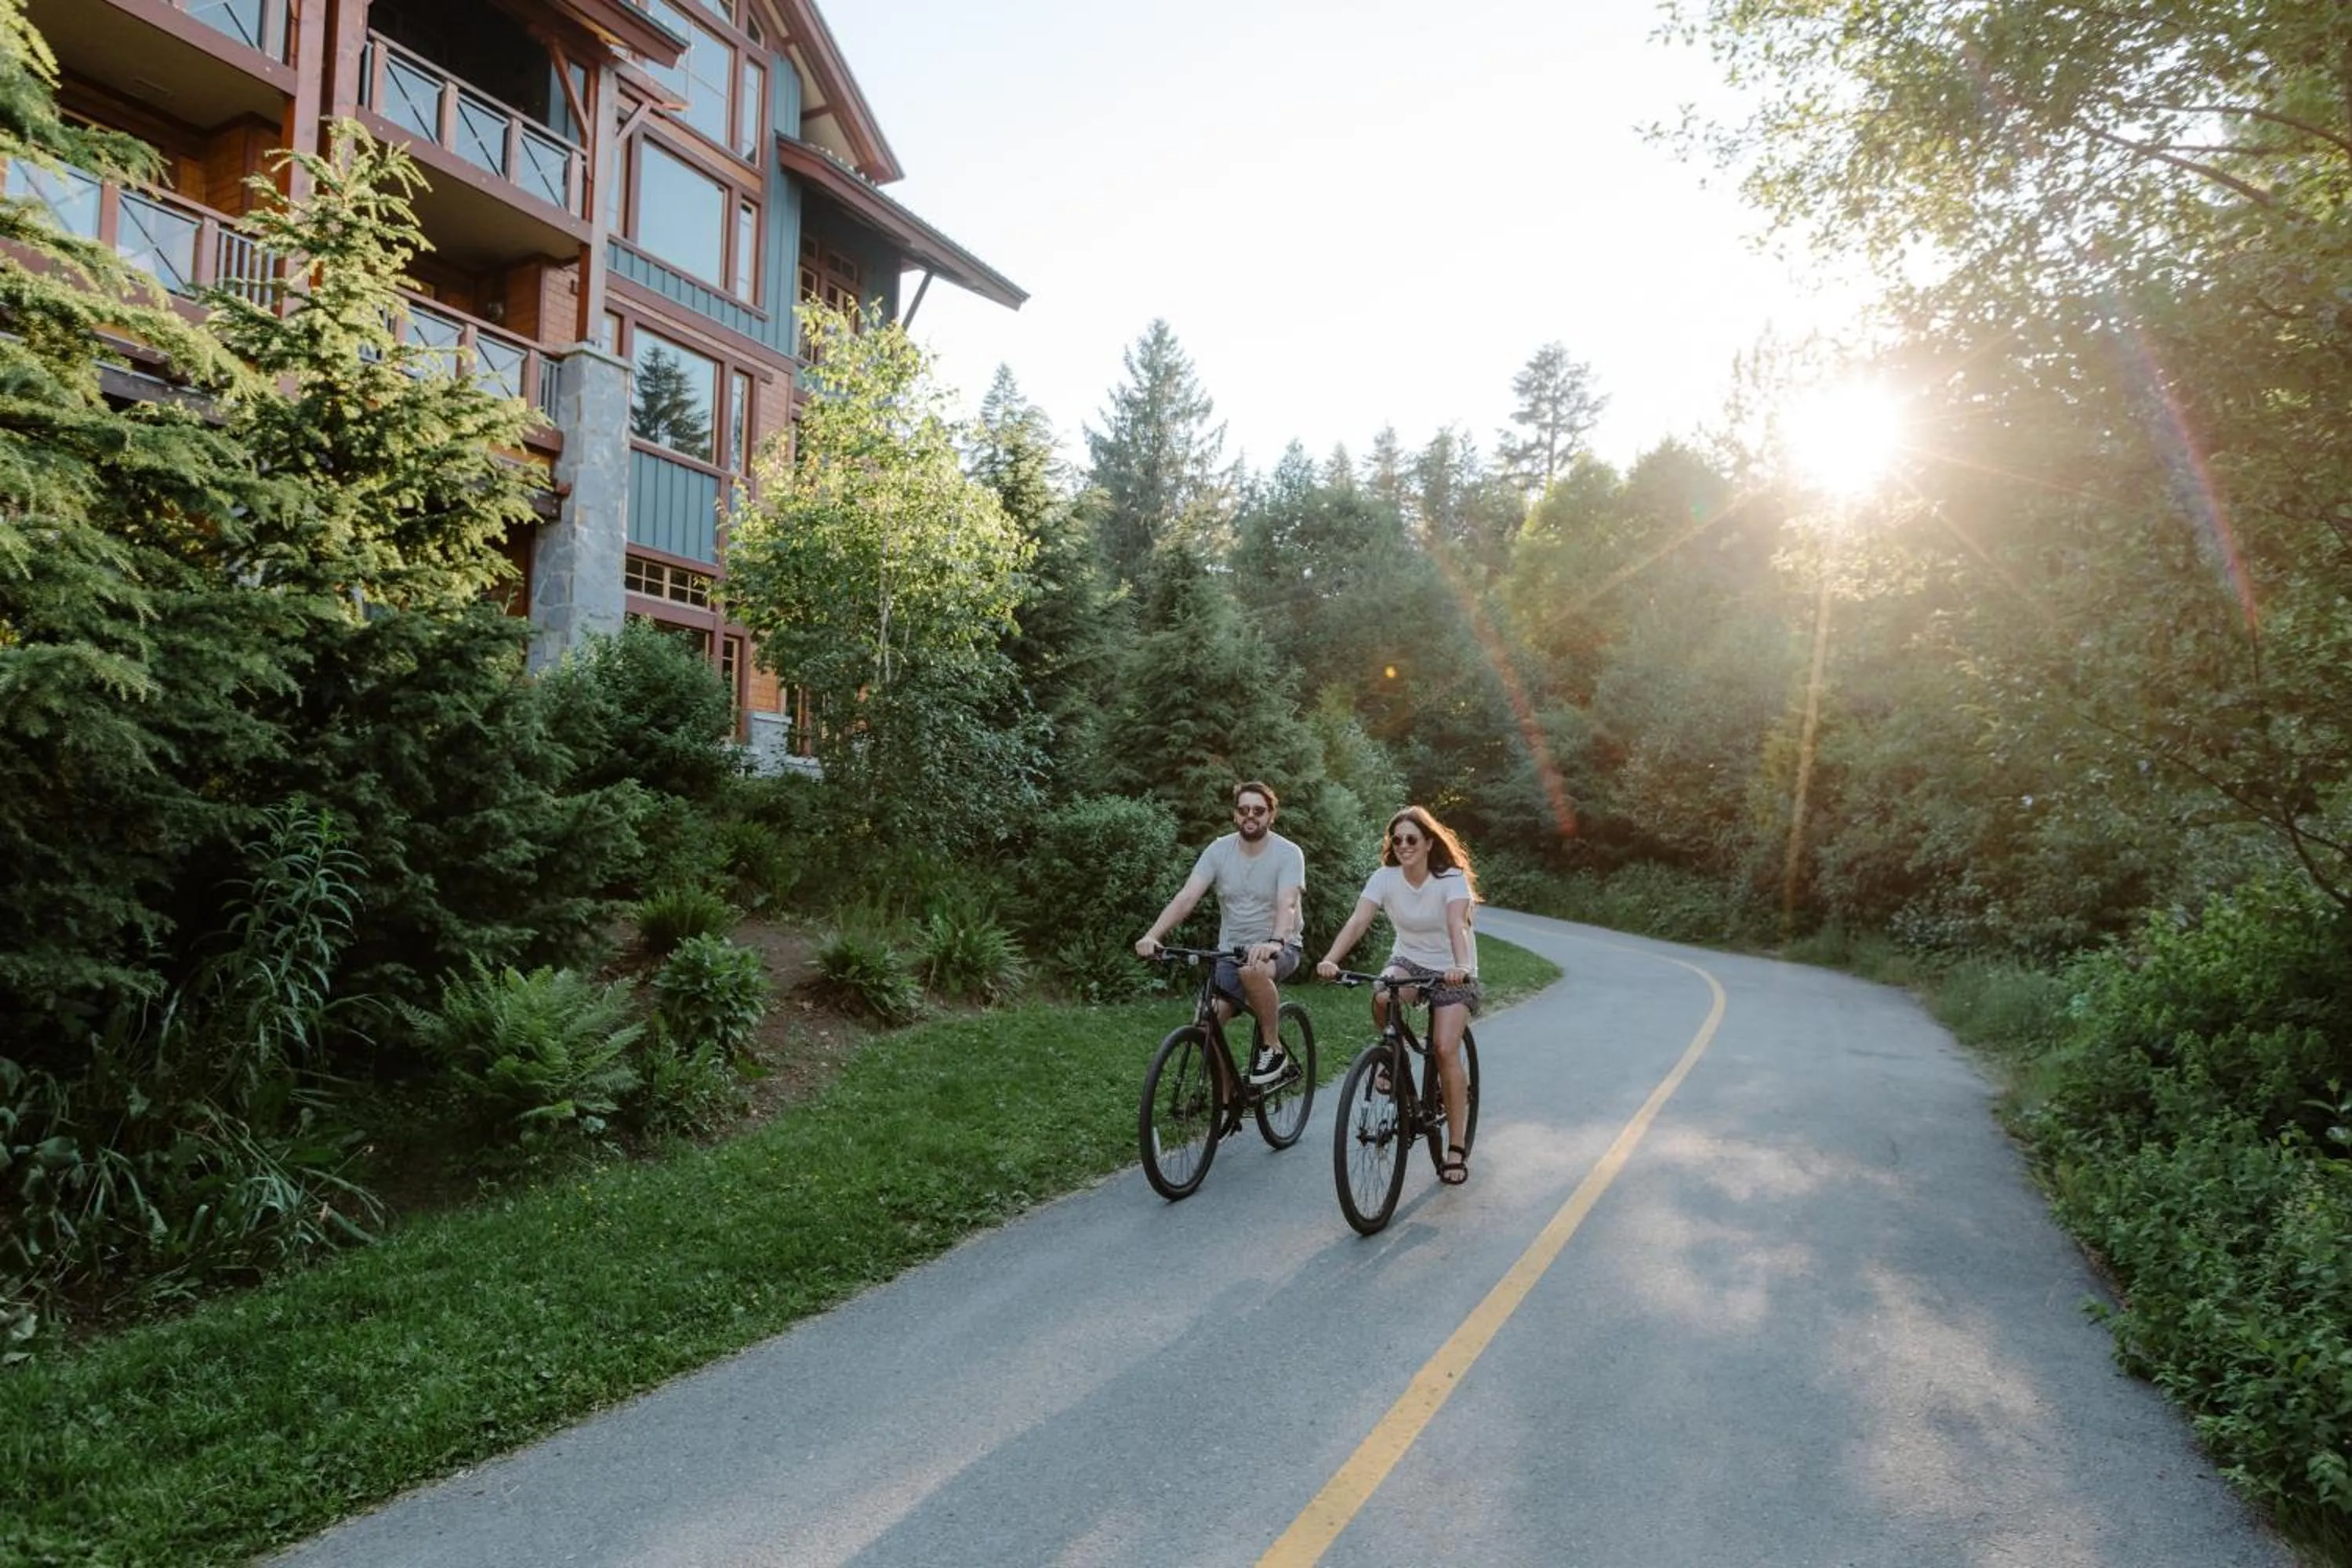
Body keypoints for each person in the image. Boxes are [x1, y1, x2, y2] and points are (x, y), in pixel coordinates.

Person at [1316, 806, 1483, 1185]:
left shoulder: (1451, 879)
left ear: (1428, 843)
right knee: (1381, 993)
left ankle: (1455, 1147)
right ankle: (1392, 1058)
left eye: (1411, 839)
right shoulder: (1384, 878)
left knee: (1443, 1049)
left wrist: (1460, 967)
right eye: (1397, 839)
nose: (1403, 845)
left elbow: (1457, 923)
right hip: (1408, 960)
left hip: (1452, 971)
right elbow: (1358, 921)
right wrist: (1330, 959)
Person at [1134, 780, 1306, 1086]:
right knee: (1206, 1024)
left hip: (1281, 947)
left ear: (1271, 816)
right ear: (1235, 815)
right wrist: (1153, 935)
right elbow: (1187, 898)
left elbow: (1288, 903)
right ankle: (1227, 1105)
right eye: (1243, 810)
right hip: (1230, 951)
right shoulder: (1219, 850)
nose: (1250, 815)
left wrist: (1276, 940)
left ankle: (1272, 1047)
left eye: (1258, 810)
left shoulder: (1288, 853)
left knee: (1253, 970)